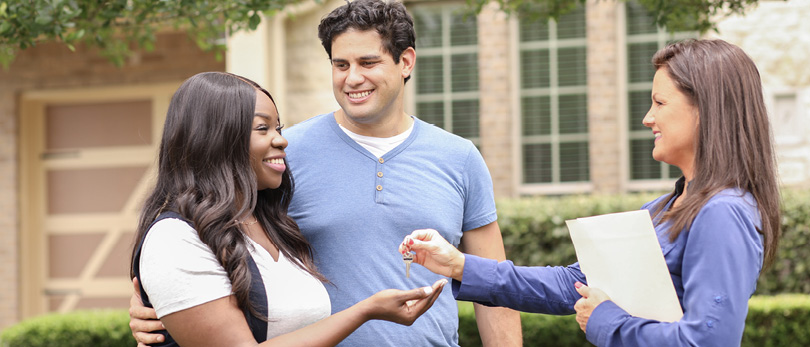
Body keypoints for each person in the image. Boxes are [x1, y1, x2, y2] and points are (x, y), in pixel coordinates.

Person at [130, 1, 521, 346]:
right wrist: (157, 307)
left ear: (406, 62)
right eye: (340, 64)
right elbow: (202, 228)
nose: (352, 78)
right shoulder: (281, 157)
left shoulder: (460, 157)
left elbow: (493, 283)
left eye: (368, 62)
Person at [399, 39, 781, 346]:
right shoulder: (667, 207)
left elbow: (707, 341)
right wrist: (458, 265)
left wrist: (605, 320)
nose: (648, 118)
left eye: (660, 103)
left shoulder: (723, 212)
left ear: (706, 110)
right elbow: (574, 283)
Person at [129, 71, 446, 347]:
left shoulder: (271, 224)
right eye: (262, 128)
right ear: (217, 139)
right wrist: (365, 311)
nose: (281, 141)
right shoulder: (174, 238)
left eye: (278, 128)